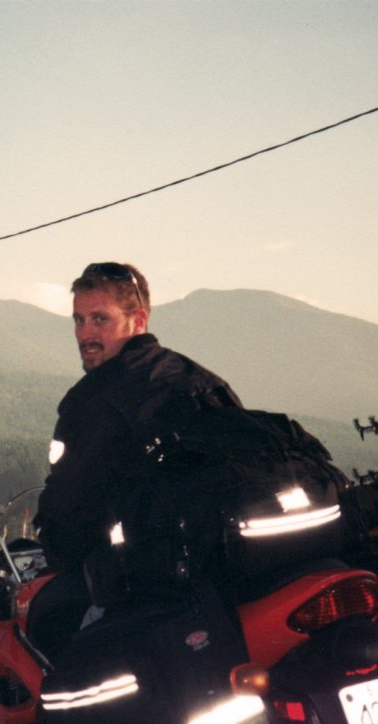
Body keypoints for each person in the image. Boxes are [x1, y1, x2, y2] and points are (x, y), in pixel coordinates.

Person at [26, 263, 243, 659]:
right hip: (223, 575)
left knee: (50, 638)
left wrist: (54, 551)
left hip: (149, 586)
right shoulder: (203, 380)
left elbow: (67, 511)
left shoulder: (95, 399)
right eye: (79, 320)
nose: (85, 334)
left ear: (137, 320)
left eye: (100, 319)